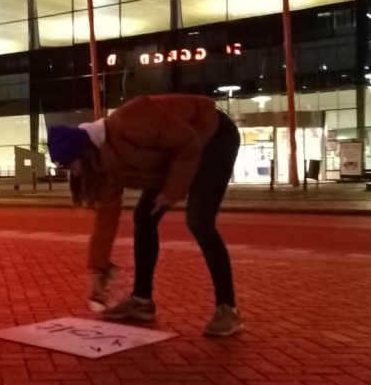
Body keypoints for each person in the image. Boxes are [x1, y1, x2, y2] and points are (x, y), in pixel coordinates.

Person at [47, 94, 242, 337]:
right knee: (144, 217)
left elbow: (188, 142)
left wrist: (172, 191)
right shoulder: (102, 166)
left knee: (199, 220)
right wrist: (98, 268)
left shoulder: (131, 120)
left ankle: (228, 308)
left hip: (212, 136)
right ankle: (142, 301)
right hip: (175, 157)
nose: (73, 173)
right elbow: (106, 217)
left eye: (71, 165)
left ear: (85, 152)